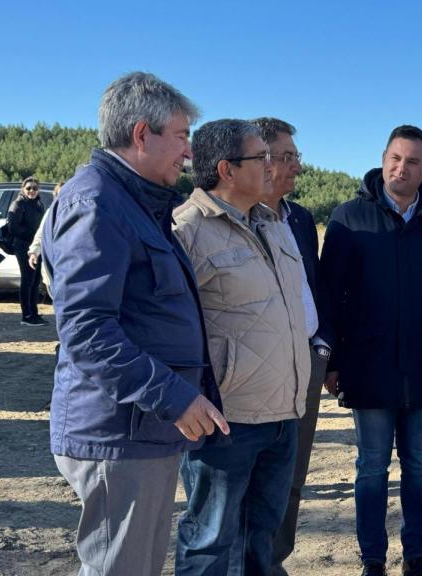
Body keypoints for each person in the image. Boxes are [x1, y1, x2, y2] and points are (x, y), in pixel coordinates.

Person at [43, 71, 228, 576]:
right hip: (117, 432)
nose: (188, 154)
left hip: (140, 428)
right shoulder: (98, 204)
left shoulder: (135, 205)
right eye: (182, 136)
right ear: (142, 134)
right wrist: (173, 395)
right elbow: (86, 331)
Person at [319, 125, 422, 576]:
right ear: (383, 158)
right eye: (395, 159)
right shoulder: (349, 218)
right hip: (368, 364)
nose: (401, 168)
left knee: (419, 466)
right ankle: (373, 558)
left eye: (412, 162)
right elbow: (331, 296)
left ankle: (415, 554)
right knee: (370, 468)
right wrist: (335, 362)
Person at [172, 119, 311, 575]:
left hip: (282, 413)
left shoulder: (274, 224)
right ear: (226, 169)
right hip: (225, 421)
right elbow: (170, 330)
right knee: (210, 541)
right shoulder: (187, 231)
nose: (273, 166)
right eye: (263, 157)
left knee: (262, 537)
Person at [251, 117, 335, 574]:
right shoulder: (230, 217)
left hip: (306, 361)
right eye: (286, 157)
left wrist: (323, 345)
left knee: (291, 474)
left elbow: (314, 285)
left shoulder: (299, 217)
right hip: (252, 368)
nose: (296, 168)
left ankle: (272, 558)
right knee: (245, 475)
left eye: (294, 157)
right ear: (258, 159)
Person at [8, 176, 47, 325]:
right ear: (23, 189)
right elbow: (13, 228)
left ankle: (34, 313)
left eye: (35, 188)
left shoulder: (38, 204)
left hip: (36, 247)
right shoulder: (18, 204)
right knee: (27, 279)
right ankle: (27, 315)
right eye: (28, 188)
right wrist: (34, 236)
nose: (32, 191)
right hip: (23, 247)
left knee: (36, 280)